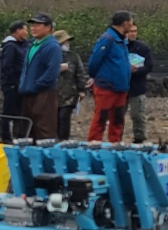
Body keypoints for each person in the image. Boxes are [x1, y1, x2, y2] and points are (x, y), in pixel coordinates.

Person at [87, 11, 134, 143]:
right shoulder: (108, 39)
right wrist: (95, 77)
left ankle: (115, 143)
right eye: (131, 22)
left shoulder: (121, 40)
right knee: (101, 117)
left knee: (118, 118)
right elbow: (94, 61)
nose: (132, 25)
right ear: (125, 23)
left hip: (121, 87)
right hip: (107, 86)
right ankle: (94, 143)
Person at [19, 13, 63, 140]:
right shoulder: (32, 45)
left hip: (44, 93)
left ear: (48, 27)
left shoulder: (52, 46)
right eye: (32, 25)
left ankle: (47, 152)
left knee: (44, 129)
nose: (33, 28)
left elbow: (52, 71)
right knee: (28, 129)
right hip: (28, 92)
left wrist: (38, 84)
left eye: (37, 25)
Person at [0, 21, 29, 141]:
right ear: (18, 31)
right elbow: (7, 66)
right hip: (12, 84)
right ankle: (5, 137)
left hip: (20, 84)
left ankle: (18, 136)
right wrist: (13, 83)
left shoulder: (23, 45)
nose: (27, 33)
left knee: (19, 112)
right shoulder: (10, 46)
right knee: (7, 111)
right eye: (25, 29)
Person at [55, 29, 88, 141]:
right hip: (53, 94)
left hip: (69, 95)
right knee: (54, 119)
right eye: (65, 42)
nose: (67, 44)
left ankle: (64, 140)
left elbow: (80, 73)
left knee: (64, 118)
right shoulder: (51, 55)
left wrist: (82, 90)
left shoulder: (73, 56)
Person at [127, 23, 154, 144]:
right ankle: (116, 139)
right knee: (117, 115)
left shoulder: (143, 48)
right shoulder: (119, 47)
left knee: (138, 114)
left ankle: (139, 138)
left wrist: (137, 70)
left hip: (137, 86)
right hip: (120, 86)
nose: (133, 34)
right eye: (130, 31)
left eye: (135, 31)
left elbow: (149, 66)